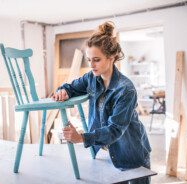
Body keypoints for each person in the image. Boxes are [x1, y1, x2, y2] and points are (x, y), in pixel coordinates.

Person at [52, 21, 152, 184]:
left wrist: (82, 138)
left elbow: (114, 130)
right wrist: (62, 91)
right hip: (107, 152)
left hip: (131, 153)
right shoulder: (91, 78)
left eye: (96, 60)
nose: (91, 65)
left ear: (111, 57)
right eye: (89, 59)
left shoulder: (125, 89)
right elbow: (70, 87)